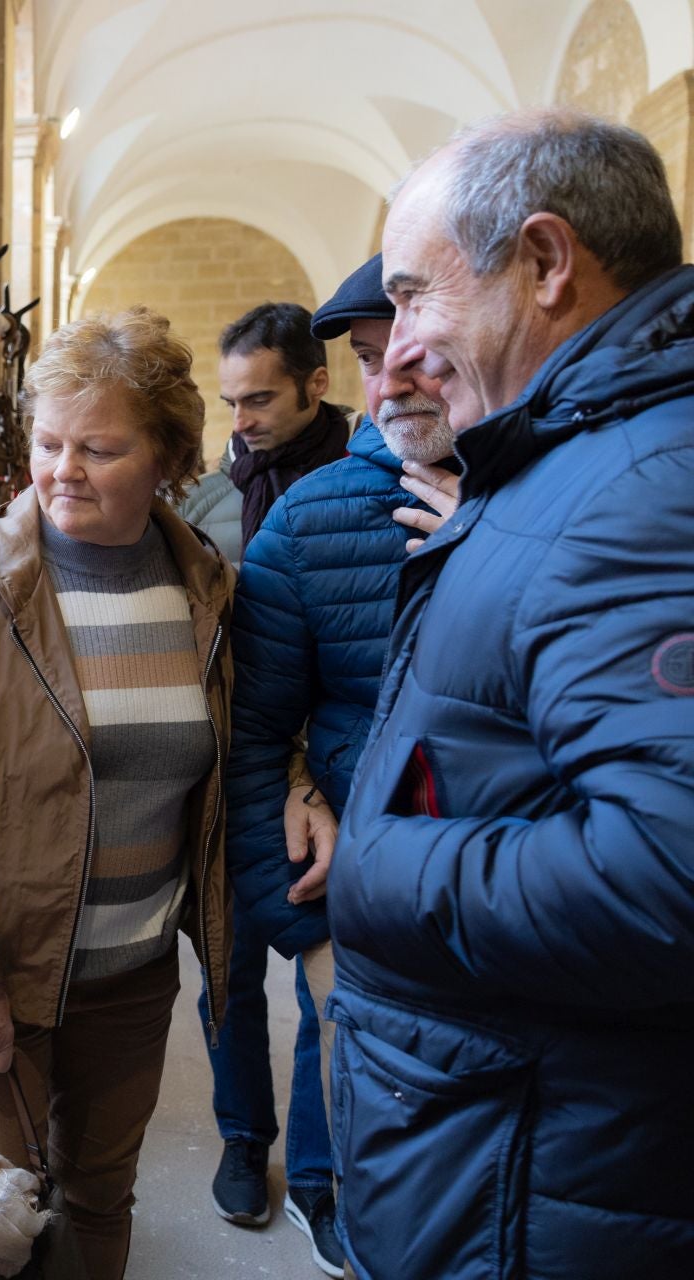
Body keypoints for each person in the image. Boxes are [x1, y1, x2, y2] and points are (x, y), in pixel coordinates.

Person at [329, 108, 694, 1278]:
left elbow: (670, 871)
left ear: (545, 262)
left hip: (539, 1182)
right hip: (513, 1148)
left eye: (416, 297)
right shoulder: (583, 452)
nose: (395, 357)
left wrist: (380, 864)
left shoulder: (636, 489)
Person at [0, 307, 234, 1279]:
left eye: (99, 446)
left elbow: (246, 738)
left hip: (131, 971)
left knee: (97, 1195)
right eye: (48, 442)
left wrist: (299, 788)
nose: (62, 467)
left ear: (167, 454)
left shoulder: (205, 587)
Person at [205, 252, 457, 1277]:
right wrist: (307, 923)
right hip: (330, 859)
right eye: (367, 353)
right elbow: (254, 730)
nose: (390, 374)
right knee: (291, 998)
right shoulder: (302, 520)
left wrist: (485, 552)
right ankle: (276, 1157)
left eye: (414, 348)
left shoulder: (564, 502)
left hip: (495, 895)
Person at [215, 304, 352, 552]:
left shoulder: (376, 480)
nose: (240, 424)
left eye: (259, 400)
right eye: (231, 403)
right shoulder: (198, 505)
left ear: (317, 384)